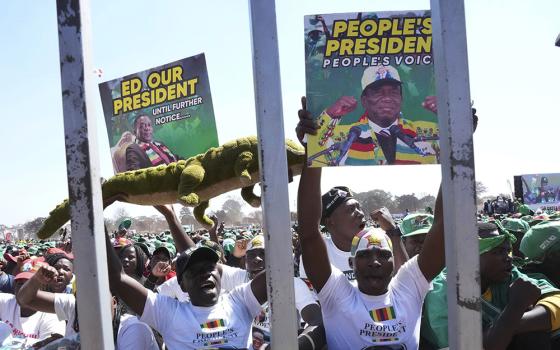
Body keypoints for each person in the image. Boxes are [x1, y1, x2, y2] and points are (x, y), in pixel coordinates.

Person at [297, 97, 446, 349]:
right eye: (366, 255)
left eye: (383, 255)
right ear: (352, 263)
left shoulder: (408, 287)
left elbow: (444, 227)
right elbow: (310, 233)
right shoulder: (338, 295)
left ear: (396, 262)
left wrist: (459, 144)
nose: (375, 262)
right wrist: (313, 152)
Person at [105, 227, 268, 349]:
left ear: (220, 273)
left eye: (209, 268)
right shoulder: (168, 313)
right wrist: (95, 210)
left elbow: (278, 270)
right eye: (195, 272)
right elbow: (118, 278)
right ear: (182, 284)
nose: (205, 274)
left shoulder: (240, 301)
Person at [423, 222, 560, 349]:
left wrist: (505, 326)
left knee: (534, 336)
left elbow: (556, 301)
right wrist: (516, 306)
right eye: (497, 252)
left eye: (507, 251)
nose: (508, 258)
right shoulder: (441, 295)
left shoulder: (505, 274)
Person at [311, 65, 439, 165]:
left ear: (401, 98)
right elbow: (313, 150)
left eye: (393, 92)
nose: (387, 98)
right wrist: (330, 114)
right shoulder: (346, 136)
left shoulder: (428, 132)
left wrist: (447, 115)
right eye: (378, 92)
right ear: (364, 101)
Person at [16, 264, 159, 349]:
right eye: (85, 298)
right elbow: (25, 300)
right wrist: (36, 280)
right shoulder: (74, 306)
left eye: (100, 299)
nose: (93, 306)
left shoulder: (133, 329)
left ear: (114, 302)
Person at [2, 258, 65, 347]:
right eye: (20, 283)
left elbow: (53, 346)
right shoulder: (6, 301)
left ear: (44, 288)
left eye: (29, 284)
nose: (23, 289)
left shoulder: (53, 317)